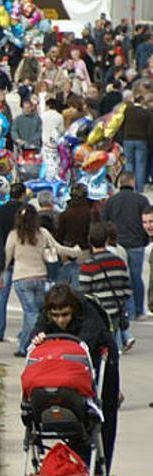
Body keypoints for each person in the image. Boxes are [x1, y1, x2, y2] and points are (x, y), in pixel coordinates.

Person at [29, 284, 120, 470]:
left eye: (65, 315)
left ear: (73, 311)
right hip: (66, 371)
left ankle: (98, 469)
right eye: (55, 316)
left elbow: (88, 340)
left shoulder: (88, 312)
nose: (60, 320)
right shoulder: (46, 314)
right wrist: (37, 338)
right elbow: (35, 334)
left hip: (98, 360)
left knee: (101, 422)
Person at [5, 205, 82, 356]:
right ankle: (27, 342)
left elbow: (7, 256)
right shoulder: (42, 233)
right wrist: (75, 251)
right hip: (40, 276)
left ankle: (25, 345)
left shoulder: (14, 235)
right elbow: (58, 248)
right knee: (37, 311)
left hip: (21, 277)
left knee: (30, 312)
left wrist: (0, 275)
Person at [78, 222, 134, 352]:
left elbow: (85, 294)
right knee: (113, 344)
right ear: (106, 240)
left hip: (96, 313)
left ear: (90, 241)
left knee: (100, 348)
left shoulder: (88, 265)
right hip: (115, 311)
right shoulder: (118, 262)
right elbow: (127, 289)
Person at [101, 173, 150, 318]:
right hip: (136, 244)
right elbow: (147, 220)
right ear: (132, 182)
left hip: (118, 245)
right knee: (136, 278)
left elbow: (104, 222)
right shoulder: (141, 200)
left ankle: (125, 311)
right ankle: (139, 310)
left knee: (121, 279)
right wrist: (145, 239)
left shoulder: (111, 201)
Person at [0, 183, 26, 341]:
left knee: (1, 297)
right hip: (22, 258)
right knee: (26, 302)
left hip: (4, 257)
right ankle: (25, 332)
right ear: (23, 195)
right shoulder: (26, 212)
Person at [122, 93, 153, 190]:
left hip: (127, 139)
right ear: (142, 101)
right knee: (140, 164)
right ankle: (139, 188)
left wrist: (123, 136)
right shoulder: (146, 113)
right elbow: (150, 129)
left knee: (129, 163)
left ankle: (128, 186)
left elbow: (121, 125)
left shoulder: (127, 111)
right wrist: (149, 142)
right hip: (141, 140)